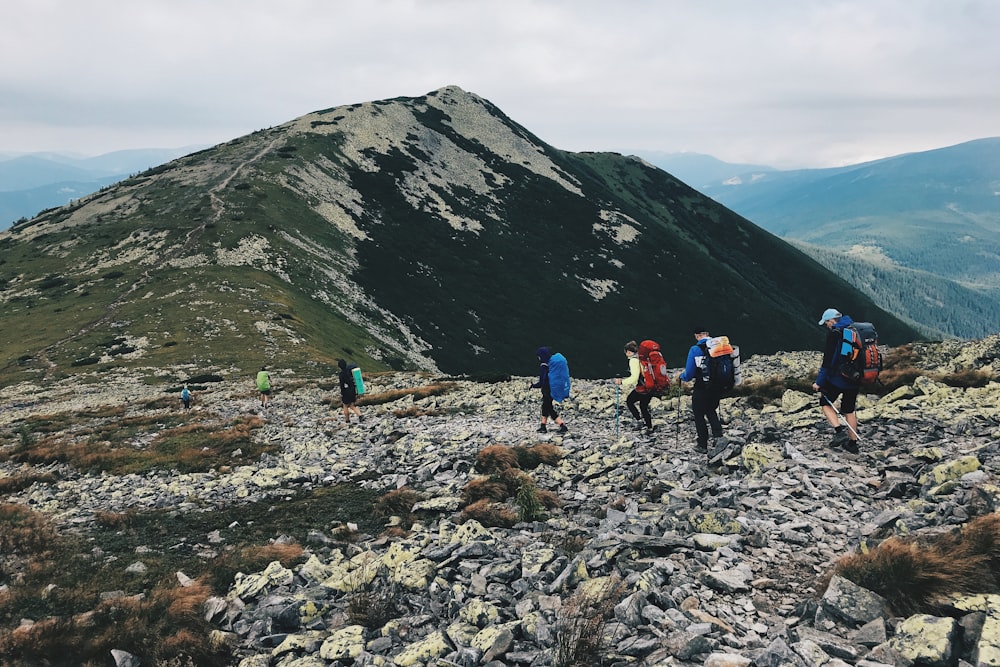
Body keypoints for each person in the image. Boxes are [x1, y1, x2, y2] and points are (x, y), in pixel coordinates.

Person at [812, 308, 861, 453]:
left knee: (825, 403)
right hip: (855, 377)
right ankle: (852, 444)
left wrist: (818, 382)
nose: (826, 325)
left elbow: (828, 362)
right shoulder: (853, 328)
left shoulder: (835, 334)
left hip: (838, 378)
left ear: (832, 320)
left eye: (826, 322)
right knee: (849, 410)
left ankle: (839, 432)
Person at [678, 327, 724, 453]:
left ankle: (702, 444)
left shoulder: (695, 349)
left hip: (702, 387)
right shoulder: (719, 347)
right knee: (710, 409)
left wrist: (682, 377)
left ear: (697, 336)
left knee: (698, 414)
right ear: (708, 334)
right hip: (717, 386)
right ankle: (718, 437)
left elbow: (690, 373)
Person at [615, 340, 654, 435]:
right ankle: (649, 426)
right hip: (650, 386)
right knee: (643, 406)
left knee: (629, 401)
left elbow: (634, 377)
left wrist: (622, 382)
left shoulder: (633, 361)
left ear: (628, 352)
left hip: (642, 387)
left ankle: (639, 421)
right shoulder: (641, 358)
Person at [529, 346, 568, 434]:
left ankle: (562, 425)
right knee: (545, 407)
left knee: (549, 408)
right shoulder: (550, 365)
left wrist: (533, 386)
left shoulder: (543, 366)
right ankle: (543, 426)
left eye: (539, 355)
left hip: (546, 390)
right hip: (551, 389)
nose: (538, 357)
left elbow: (542, 381)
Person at [338, 359, 364, 424]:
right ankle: (360, 415)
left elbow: (342, 385)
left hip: (346, 391)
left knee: (345, 405)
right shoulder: (349, 370)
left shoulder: (341, 374)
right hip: (352, 390)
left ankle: (347, 420)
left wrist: (342, 393)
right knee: (352, 405)